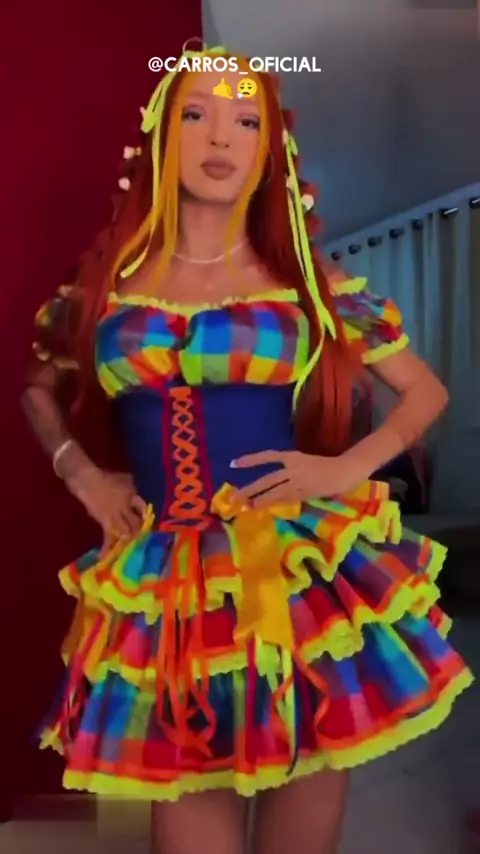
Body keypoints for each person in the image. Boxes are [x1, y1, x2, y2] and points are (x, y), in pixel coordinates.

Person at [22, 45, 473, 854]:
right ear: (161, 138)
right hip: (162, 581)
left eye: (246, 120)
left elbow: (426, 391)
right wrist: (80, 471)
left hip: (293, 571)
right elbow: (36, 390)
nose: (220, 137)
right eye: (195, 114)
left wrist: (345, 468)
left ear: (270, 150)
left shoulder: (307, 284)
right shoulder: (102, 290)